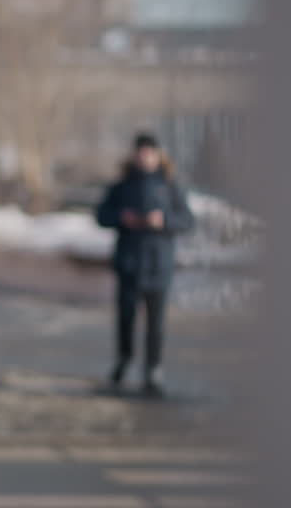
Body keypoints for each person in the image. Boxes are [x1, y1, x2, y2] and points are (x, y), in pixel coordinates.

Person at [95, 132, 195, 398]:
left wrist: (163, 222)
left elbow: (187, 221)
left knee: (156, 324)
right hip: (128, 264)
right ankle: (124, 359)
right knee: (125, 319)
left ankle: (154, 368)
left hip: (158, 265)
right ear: (134, 155)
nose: (144, 157)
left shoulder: (170, 186)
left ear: (157, 155)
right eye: (140, 152)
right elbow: (101, 215)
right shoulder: (121, 186)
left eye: (149, 152)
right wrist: (121, 217)